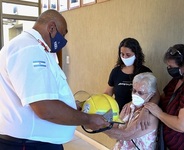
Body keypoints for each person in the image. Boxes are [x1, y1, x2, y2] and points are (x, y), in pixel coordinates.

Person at [0, 9, 109, 150]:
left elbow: (44, 94)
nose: (63, 40)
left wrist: (69, 105)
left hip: (35, 142)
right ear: (51, 28)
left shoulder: (38, 49)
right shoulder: (29, 49)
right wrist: (88, 119)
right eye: (62, 34)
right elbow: (45, 108)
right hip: (30, 144)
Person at [104, 72, 159, 150]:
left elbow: (125, 135)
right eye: (134, 91)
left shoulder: (150, 116)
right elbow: (114, 128)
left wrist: (97, 125)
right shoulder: (128, 107)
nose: (136, 95)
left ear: (151, 95)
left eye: (140, 93)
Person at [104, 37, 154, 111]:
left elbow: (154, 96)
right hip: (118, 114)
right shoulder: (115, 72)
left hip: (138, 114)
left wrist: (145, 111)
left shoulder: (145, 72)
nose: (124, 57)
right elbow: (108, 92)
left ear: (136, 54)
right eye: (122, 54)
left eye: (128, 55)